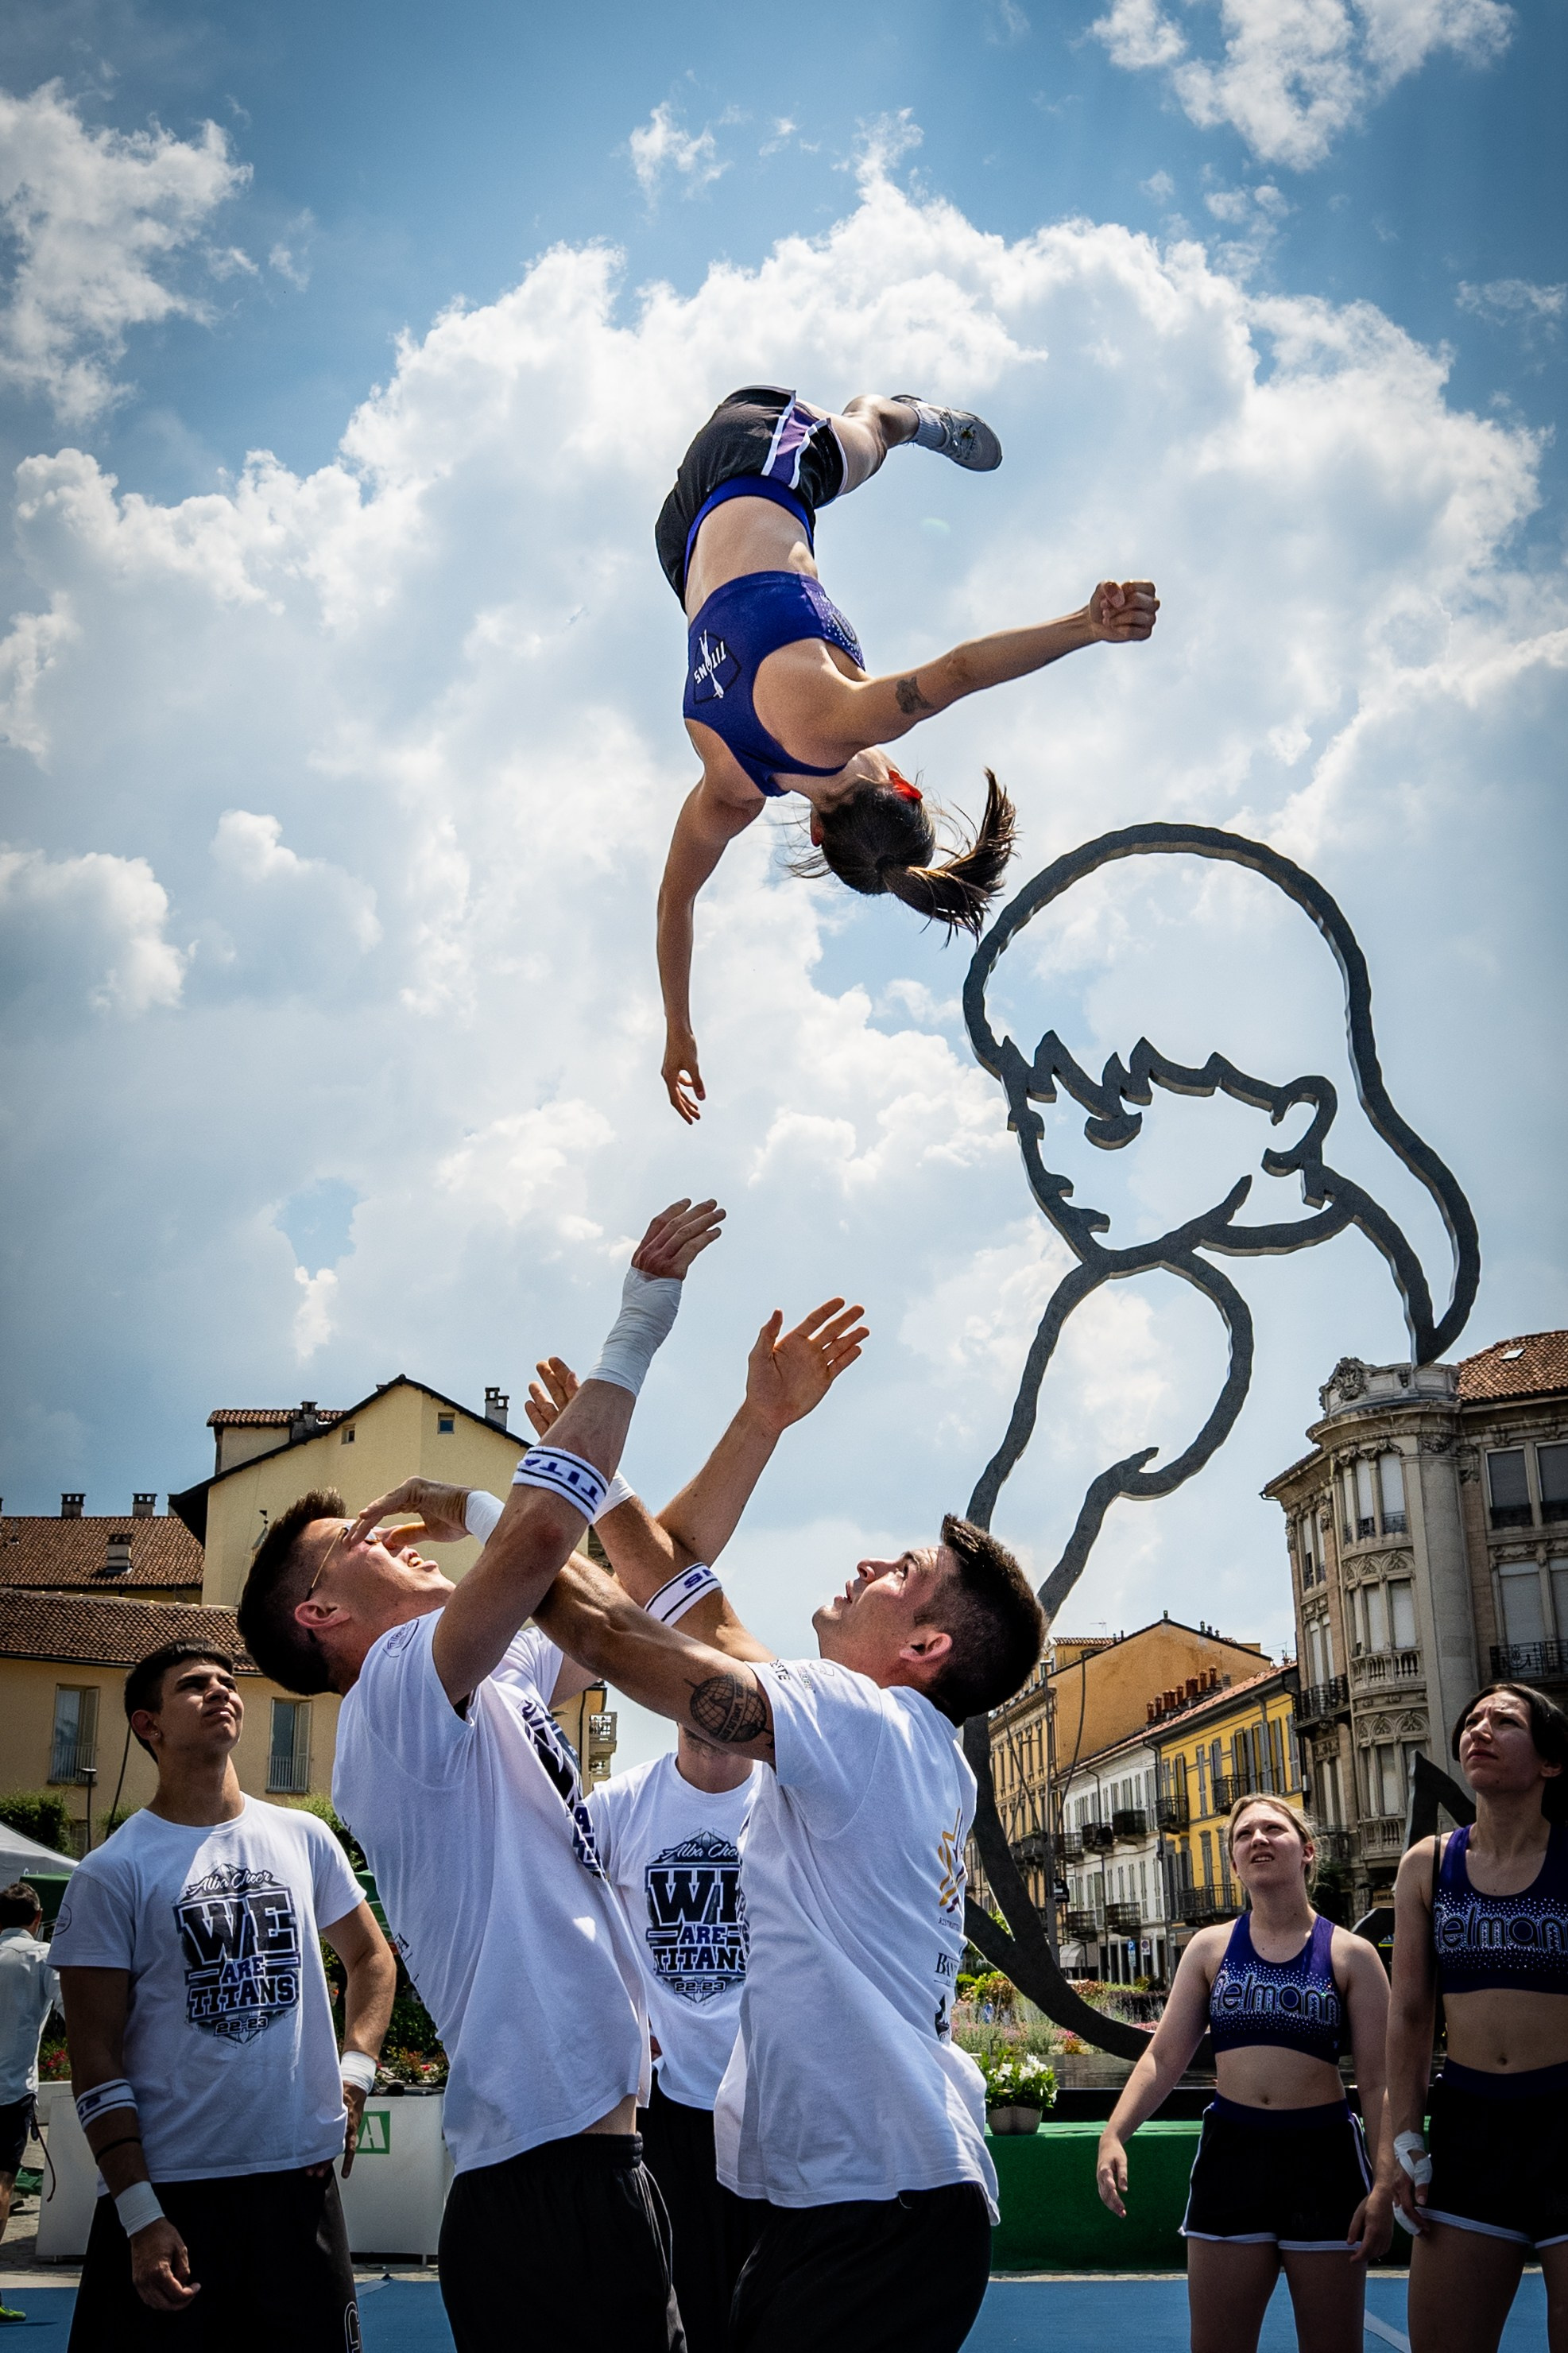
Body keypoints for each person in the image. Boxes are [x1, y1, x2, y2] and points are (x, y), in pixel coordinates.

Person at [234, 1198, 726, 2353]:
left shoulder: (471, 1683)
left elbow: (636, 1590)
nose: (387, 1533)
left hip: (577, 2164)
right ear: (322, 1615)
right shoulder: (401, 1685)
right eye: (353, 1543)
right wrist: (639, 1318)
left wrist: (756, 1423)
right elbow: (549, 1537)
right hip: (553, 2178)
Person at [526, 1502, 1045, 2352]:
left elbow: (618, 1640)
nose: (871, 1561)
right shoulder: (905, 1743)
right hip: (870, 2201)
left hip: (881, 2207)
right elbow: (708, 1618)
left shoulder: (864, 1723)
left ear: (923, 1648)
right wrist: (608, 1493)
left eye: (903, 1570)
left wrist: (520, 1520)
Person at [654, 382, 1160, 1121]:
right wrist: (678, 1030)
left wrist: (1085, 625)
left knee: (870, 431)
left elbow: (955, 673)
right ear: (821, 834)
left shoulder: (845, 723)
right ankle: (900, 425)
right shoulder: (730, 789)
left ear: (908, 789)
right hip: (681, 543)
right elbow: (676, 901)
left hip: (757, 458)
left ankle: (908, 415)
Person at [52, 1642, 396, 2352]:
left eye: (227, 1681)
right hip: (176, 2194)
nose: (221, 1692)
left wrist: (355, 2075)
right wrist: (140, 2212)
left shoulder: (303, 1836)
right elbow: (93, 2055)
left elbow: (371, 1957)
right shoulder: (112, 1872)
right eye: (193, 1686)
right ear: (149, 1725)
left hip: (297, 2185)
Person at [1095, 1795, 1394, 2353]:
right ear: (1232, 1862)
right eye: (1243, 1834)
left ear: (1306, 1851)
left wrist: (1382, 2186)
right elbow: (1164, 2056)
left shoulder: (1352, 1955)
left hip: (1322, 2159)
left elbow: (1378, 2083)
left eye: (1273, 1830)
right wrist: (1115, 2132)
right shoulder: (1209, 1949)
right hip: (1233, 2156)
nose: (1257, 1839)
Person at [1384, 1680, 1568, 2353]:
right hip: (1470, 2131)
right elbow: (1406, 2017)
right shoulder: (1427, 1864)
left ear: (1549, 1763)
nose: (1479, 1730)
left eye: (1504, 1721)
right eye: (1472, 1721)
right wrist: (1399, 2141)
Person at [0, 1881, 58, 2321]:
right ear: (36, 1920)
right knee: (2, 2186)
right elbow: (71, 2006)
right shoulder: (40, 1956)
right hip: (11, 2089)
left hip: (13, 2088)